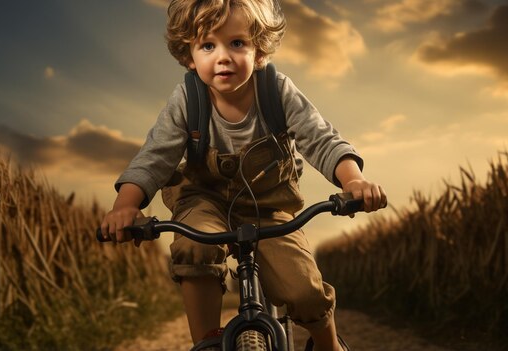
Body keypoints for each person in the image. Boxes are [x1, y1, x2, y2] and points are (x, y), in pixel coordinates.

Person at [100, 0, 387, 350]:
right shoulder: (188, 100)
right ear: (189, 55)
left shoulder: (276, 91)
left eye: (237, 43)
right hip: (203, 200)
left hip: (268, 205)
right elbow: (154, 157)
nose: (223, 56)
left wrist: (352, 181)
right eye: (208, 45)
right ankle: (206, 342)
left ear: (260, 51)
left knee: (302, 287)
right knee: (193, 246)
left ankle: (328, 344)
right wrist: (125, 205)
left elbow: (320, 139)